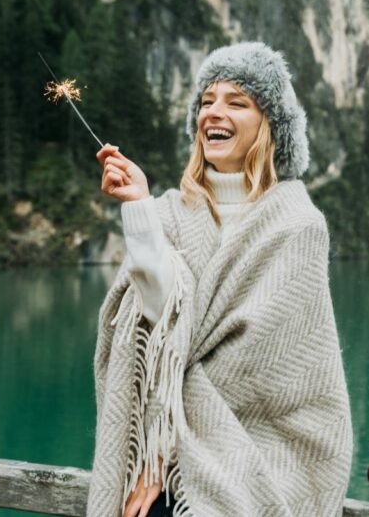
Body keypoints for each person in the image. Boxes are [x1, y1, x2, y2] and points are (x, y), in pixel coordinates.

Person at [89, 42, 353, 517]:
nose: (215, 111)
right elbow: (154, 328)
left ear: (268, 125)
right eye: (207, 101)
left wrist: (167, 450)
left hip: (269, 449)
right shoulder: (170, 212)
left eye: (237, 102)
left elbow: (258, 373)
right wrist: (140, 209)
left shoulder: (297, 226)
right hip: (173, 449)